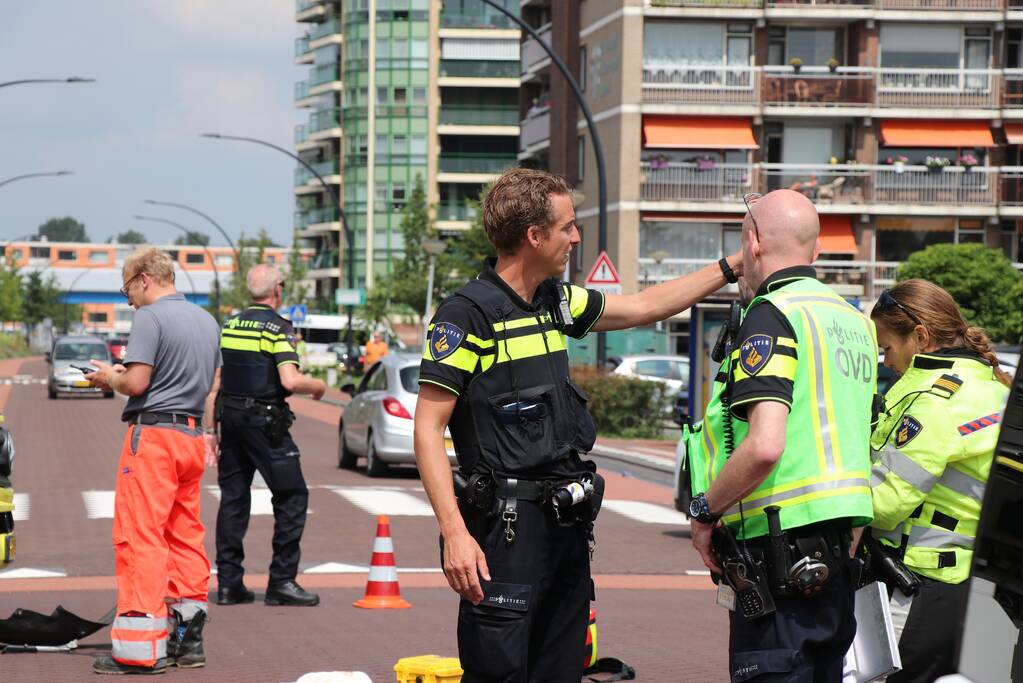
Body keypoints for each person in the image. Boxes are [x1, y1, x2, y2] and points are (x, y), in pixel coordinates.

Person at [413, 167, 743, 682]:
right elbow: (428, 430)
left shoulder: (555, 302)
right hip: (505, 530)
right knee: (498, 672)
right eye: (567, 226)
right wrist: (454, 532)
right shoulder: (466, 316)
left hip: (563, 528)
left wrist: (732, 266)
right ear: (534, 236)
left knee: (563, 668)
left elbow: (643, 306)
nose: (576, 236)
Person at [689, 190, 877, 681]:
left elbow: (765, 444)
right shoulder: (854, 320)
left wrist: (705, 512)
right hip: (839, 553)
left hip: (779, 551)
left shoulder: (773, 313)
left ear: (752, 242)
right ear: (814, 251)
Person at [854, 279, 1011, 683]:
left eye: (887, 348)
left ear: (920, 337)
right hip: (960, 582)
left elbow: (886, 504)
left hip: (915, 584)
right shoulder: (989, 386)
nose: (885, 361)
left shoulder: (936, 401)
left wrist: (823, 494)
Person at [85, 247, 221, 674]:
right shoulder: (207, 320)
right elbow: (212, 386)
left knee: (140, 536)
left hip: (155, 437)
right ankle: (188, 637)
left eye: (127, 289)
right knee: (185, 535)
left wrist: (109, 376)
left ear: (144, 279)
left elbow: (138, 381)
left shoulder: (150, 318)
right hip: (191, 435)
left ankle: (140, 649)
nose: (128, 300)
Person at [204, 263, 326, 608]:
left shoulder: (230, 326)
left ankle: (229, 584)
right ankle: (282, 581)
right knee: (292, 496)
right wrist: (317, 386)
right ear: (278, 290)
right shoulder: (278, 328)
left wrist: (210, 431)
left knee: (233, 500)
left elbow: (215, 385)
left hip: (230, 422)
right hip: (264, 424)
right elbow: (290, 380)